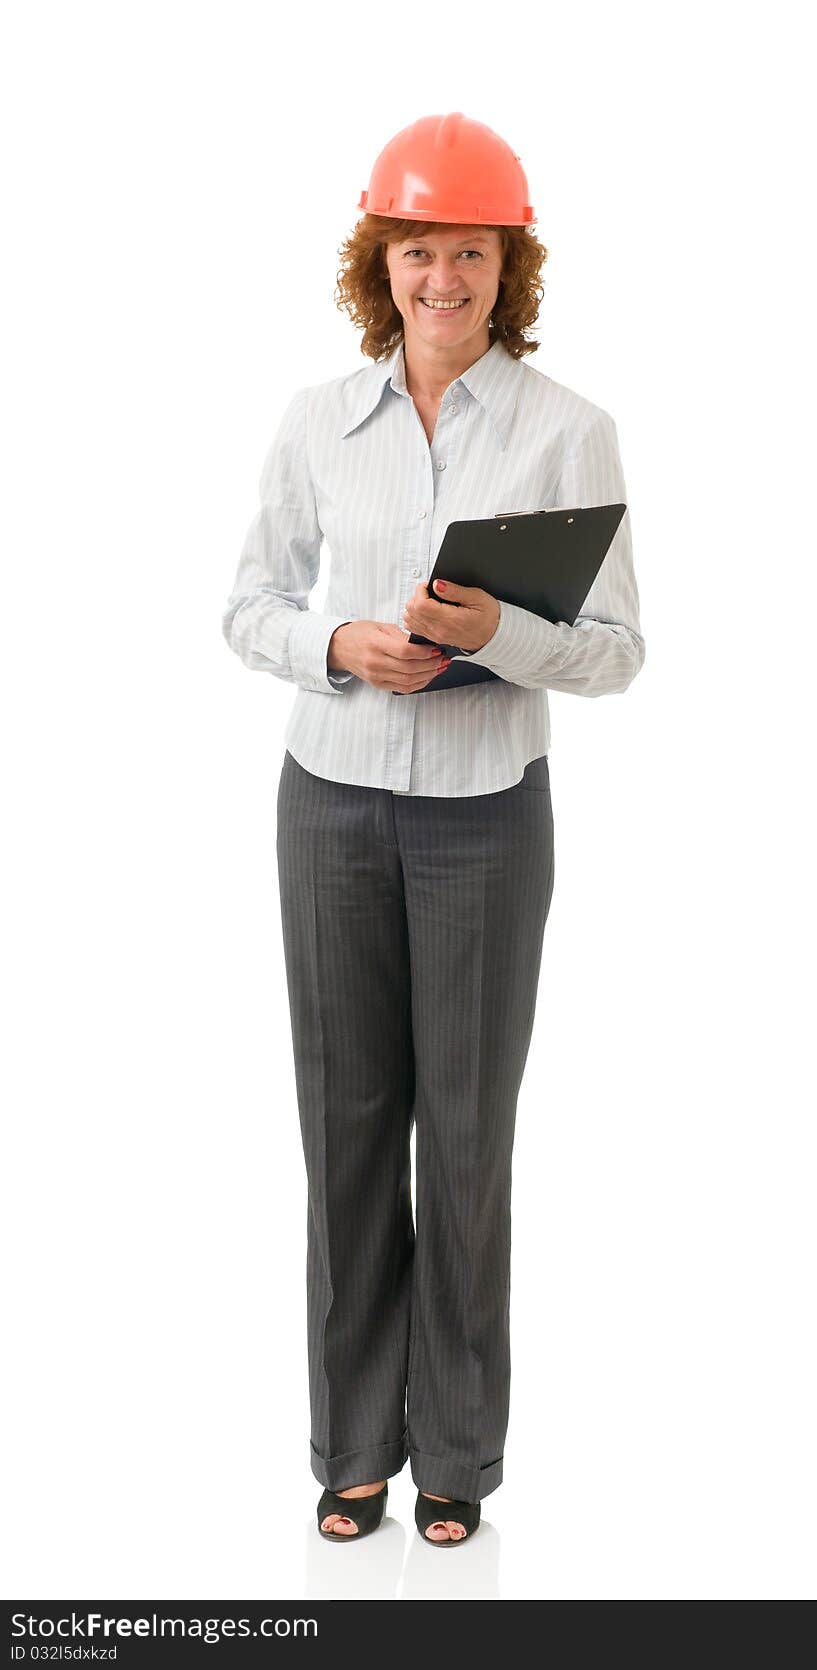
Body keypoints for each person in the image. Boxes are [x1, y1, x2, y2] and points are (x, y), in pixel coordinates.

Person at [221, 112, 645, 1548]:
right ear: (378, 259)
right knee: (345, 1132)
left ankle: (453, 1453)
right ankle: (352, 1444)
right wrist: (338, 639)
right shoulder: (311, 423)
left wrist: (506, 632)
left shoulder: (566, 428)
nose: (441, 277)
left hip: (483, 821)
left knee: (463, 1145)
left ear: (503, 264)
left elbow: (616, 651)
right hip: (327, 802)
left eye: (468, 251)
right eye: (417, 249)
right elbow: (245, 605)